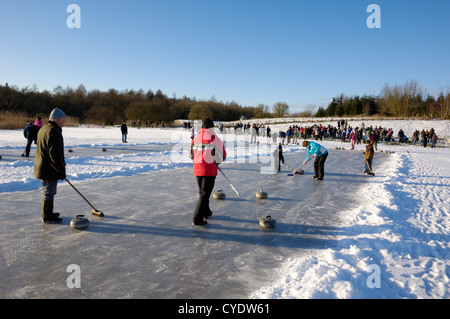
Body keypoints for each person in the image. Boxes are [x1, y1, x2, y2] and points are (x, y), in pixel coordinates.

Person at [190, 118, 227, 226]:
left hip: (197, 169)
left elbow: (191, 155)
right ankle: (197, 218)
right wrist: (217, 162)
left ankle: (206, 212)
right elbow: (223, 155)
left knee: (202, 193)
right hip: (209, 170)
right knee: (205, 194)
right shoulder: (214, 138)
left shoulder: (195, 138)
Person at [34, 108, 67, 223]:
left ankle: (48, 213)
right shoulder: (54, 131)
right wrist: (60, 170)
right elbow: (55, 154)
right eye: (63, 119)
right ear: (58, 119)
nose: (65, 121)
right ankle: (47, 215)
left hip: (41, 166)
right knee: (49, 191)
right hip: (49, 168)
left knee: (47, 190)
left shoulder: (43, 129)